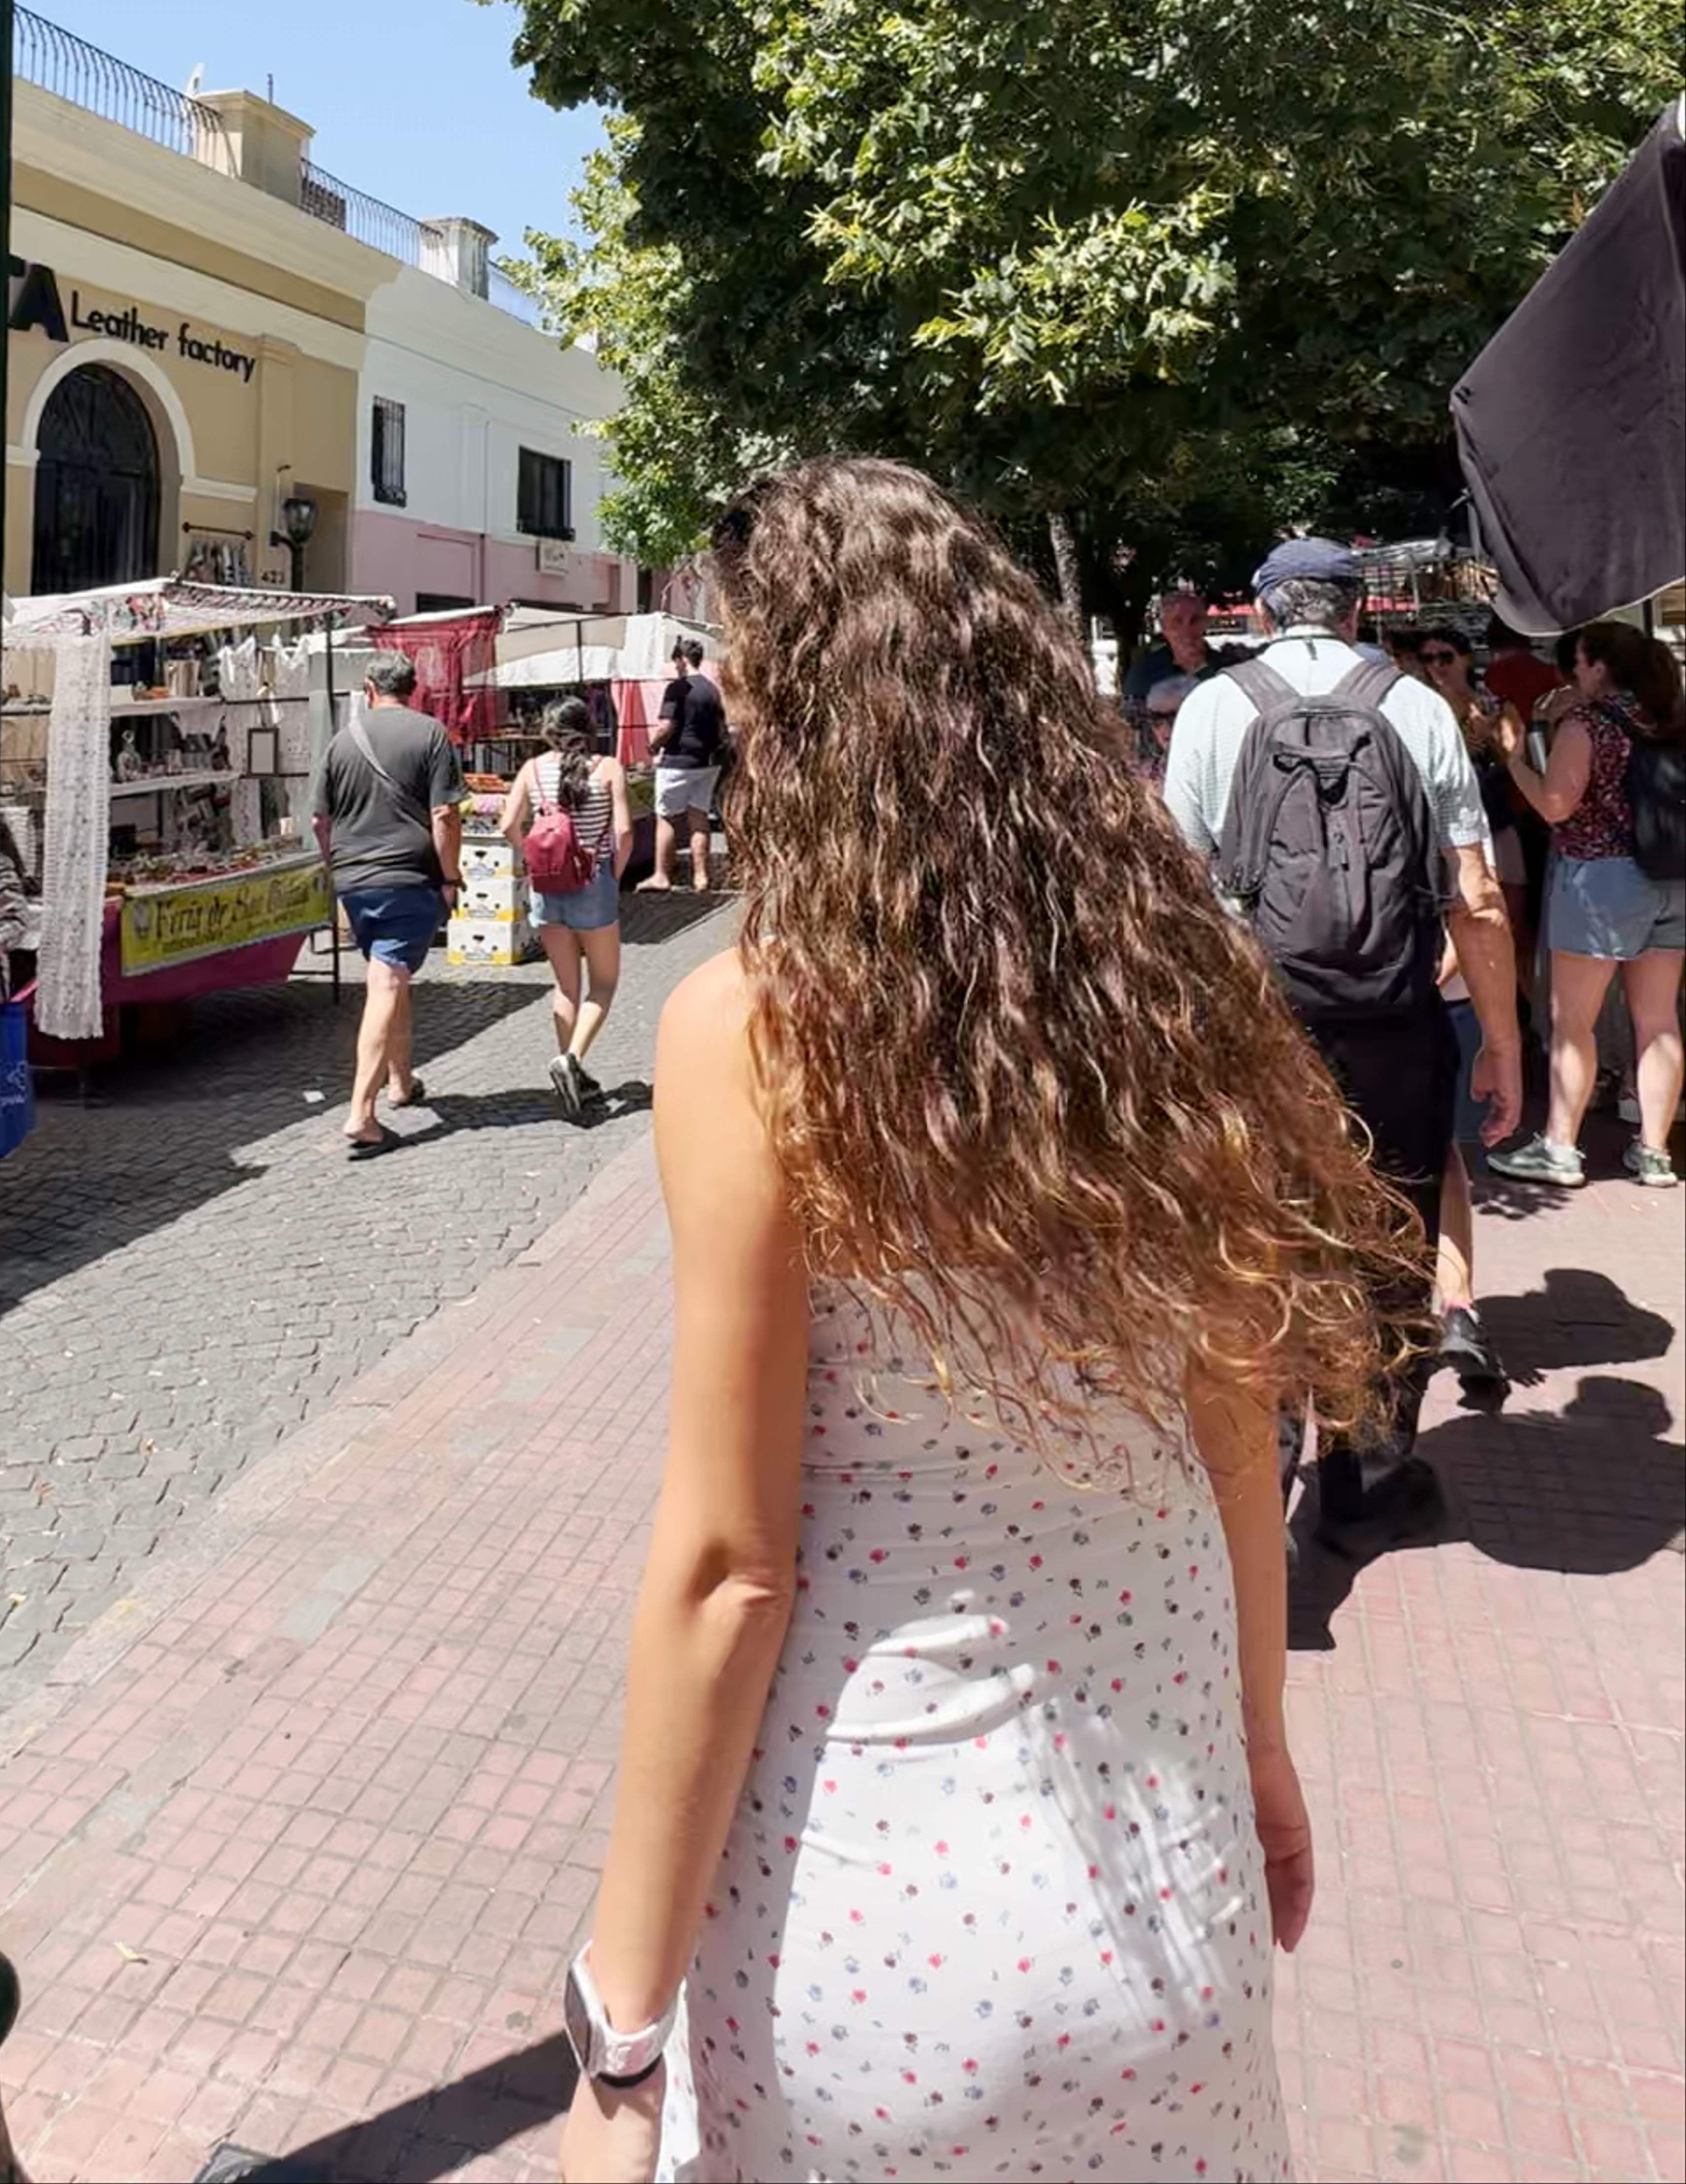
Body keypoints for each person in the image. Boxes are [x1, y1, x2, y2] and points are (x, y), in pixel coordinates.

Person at [556, 458, 1410, 2184]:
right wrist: (1263, 1757)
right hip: (1175, 1907)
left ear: (802, 722)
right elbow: (1239, 1415)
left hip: (873, 1936)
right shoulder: (1174, 988)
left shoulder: (757, 1029)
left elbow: (731, 1563)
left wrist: (618, 2033)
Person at [1164, 539, 1522, 1545]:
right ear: (1360, 612)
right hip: (1398, 1020)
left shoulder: (1214, 706)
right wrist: (1502, 1040)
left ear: (1271, 614)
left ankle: (1260, 1463)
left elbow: (1179, 891)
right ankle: (1363, 1479)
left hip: (1257, 1022)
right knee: (1394, 1236)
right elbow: (1480, 896)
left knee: (1260, 1230)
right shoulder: (1416, 707)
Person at [1489, 620, 1686, 1189]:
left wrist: (1512, 756)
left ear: (1599, 664)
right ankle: (1654, 1154)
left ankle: (1560, 1148)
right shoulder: (1669, 718)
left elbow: (1555, 805)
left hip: (1602, 882)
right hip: (1673, 878)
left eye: (1577, 662)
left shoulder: (1589, 723)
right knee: (1659, 1021)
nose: (1572, 673)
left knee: (1573, 1021)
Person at [1414, 624, 1530, 1390]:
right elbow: (1479, 899)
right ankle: (1456, 1304)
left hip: (1354, 997)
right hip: (1439, 996)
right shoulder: (1445, 779)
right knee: (1443, 1157)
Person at [313, 652, 463, 1158]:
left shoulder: (341, 741)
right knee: (388, 980)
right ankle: (362, 1112)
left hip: (355, 881)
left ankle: (400, 1081)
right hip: (407, 876)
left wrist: (339, 871)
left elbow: (321, 822)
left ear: (369, 687)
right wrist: (450, 876)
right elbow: (444, 814)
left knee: (390, 974)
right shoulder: (431, 735)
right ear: (413, 688)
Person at [504, 697, 634, 1121]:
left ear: (548, 728)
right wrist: (612, 871)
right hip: (594, 882)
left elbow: (509, 825)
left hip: (548, 886)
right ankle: (572, 1059)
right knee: (604, 983)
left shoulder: (532, 770)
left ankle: (570, 1069)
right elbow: (625, 832)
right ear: (588, 726)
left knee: (566, 987)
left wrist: (530, 857)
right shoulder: (609, 768)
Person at [639, 639, 726, 897]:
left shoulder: (679, 688)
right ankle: (701, 876)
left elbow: (667, 727)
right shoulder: (712, 690)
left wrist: (653, 747)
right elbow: (721, 728)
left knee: (666, 817)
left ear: (682, 660)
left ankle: (661, 875)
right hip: (707, 763)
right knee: (699, 816)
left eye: (676, 662)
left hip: (678, 761)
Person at [1124, 579, 1231, 704]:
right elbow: (1130, 719)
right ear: (1164, 628)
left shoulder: (1227, 669)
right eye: (1177, 622)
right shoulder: (1144, 673)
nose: (1187, 630)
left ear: (1206, 624)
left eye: (1195, 620)